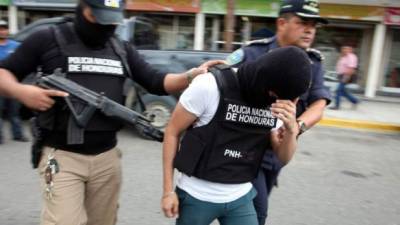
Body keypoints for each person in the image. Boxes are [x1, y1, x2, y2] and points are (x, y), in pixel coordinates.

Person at [0, 1, 222, 225]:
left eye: (111, 19)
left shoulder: (120, 48)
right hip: (61, 157)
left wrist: (192, 75)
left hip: (107, 159)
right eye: (98, 17)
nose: (105, 26)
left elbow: (157, 81)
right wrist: (21, 92)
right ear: (83, 8)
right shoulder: (47, 38)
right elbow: (4, 73)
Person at [161, 46, 312, 225]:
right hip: (196, 196)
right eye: (273, 93)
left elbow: (283, 157)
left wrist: (292, 130)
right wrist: (168, 191)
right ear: (265, 79)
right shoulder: (209, 85)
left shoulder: (278, 101)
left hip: (240, 197)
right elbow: (172, 132)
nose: (274, 99)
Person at [226, 0, 331, 224]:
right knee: (256, 214)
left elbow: (319, 104)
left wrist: (296, 126)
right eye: (303, 22)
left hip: (277, 154)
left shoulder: (312, 62)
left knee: (248, 213)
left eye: (314, 25)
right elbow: (222, 83)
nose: (310, 29)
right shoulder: (253, 53)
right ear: (282, 23)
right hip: (246, 151)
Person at [0, 20, 29, 144]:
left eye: (4, 28)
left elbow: (23, 62)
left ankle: (18, 135)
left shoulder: (15, 45)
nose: (3, 31)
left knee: (14, 113)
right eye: (0, 29)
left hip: (14, 84)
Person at [330, 45, 359, 110]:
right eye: (343, 48)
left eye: (347, 48)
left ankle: (337, 106)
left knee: (338, 90)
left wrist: (346, 77)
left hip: (346, 75)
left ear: (351, 49)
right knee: (342, 91)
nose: (344, 50)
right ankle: (355, 101)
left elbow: (351, 68)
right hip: (341, 76)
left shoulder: (351, 57)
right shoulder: (344, 56)